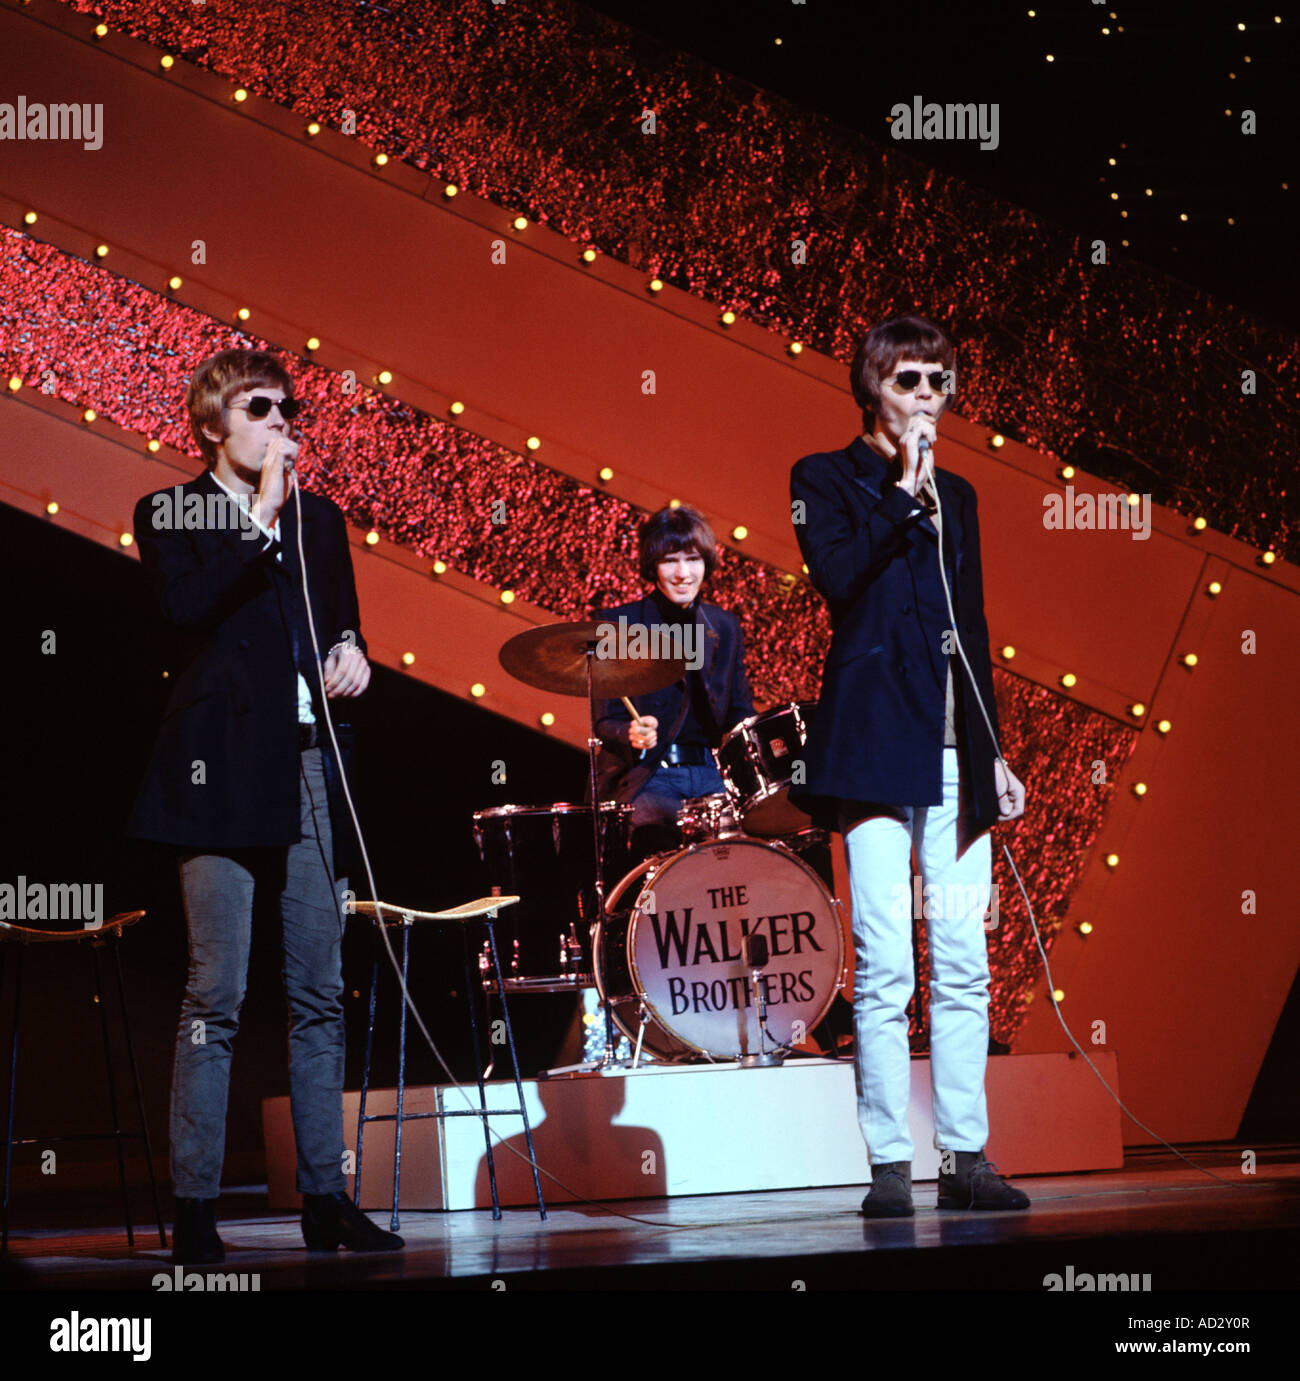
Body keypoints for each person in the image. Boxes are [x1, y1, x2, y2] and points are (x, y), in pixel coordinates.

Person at [128, 348, 402, 1261]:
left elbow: (342, 625)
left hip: (310, 766)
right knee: (219, 989)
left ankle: (325, 1195)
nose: (282, 421)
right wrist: (258, 519)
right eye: (260, 407)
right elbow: (181, 609)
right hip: (216, 775)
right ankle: (199, 1205)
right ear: (213, 423)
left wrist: (356, 654)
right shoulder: (173, 512)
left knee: (321, 989)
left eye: (289, 408)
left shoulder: (320, 522)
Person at [789, 314, 1030, 1217]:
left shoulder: (959, 496)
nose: (929, 397)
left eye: (939, 381)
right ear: (872, 391)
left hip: (955, 748)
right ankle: (891, 1163)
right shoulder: (824, 478)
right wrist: (900, 492)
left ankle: (966, 1154)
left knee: (963, 959)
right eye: (910, 382)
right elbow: (839, 579)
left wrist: (995, 749)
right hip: (873, 750)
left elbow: (973, 629)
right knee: (889, 965)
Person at [592, 505, 755, 858]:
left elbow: (740, 712)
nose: (683, 573)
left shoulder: (723, 625)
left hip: (712, 775)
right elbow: (604, 721)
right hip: (650, 776)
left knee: (744, 853)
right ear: (653, 567)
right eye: (670, 561)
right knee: (659, 847)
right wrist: (630, 734)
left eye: (693, 559)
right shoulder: (618, 624)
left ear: (706, 563)